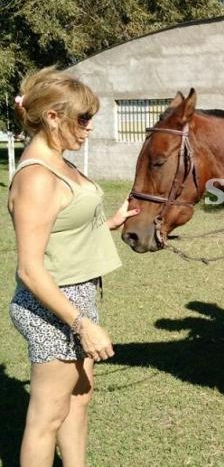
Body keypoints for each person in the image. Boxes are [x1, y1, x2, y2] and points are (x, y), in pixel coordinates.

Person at [8, 67, 139, 467]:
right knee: (46, 417)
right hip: (53, 306)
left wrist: (109, 222)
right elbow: (30, 269)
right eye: (83, 118)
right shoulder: (36, 177)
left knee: (79, 399)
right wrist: (82, 323)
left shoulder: (59, 161)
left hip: (76, 295)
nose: (90, 127)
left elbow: (65, 221)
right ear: (52, 117)